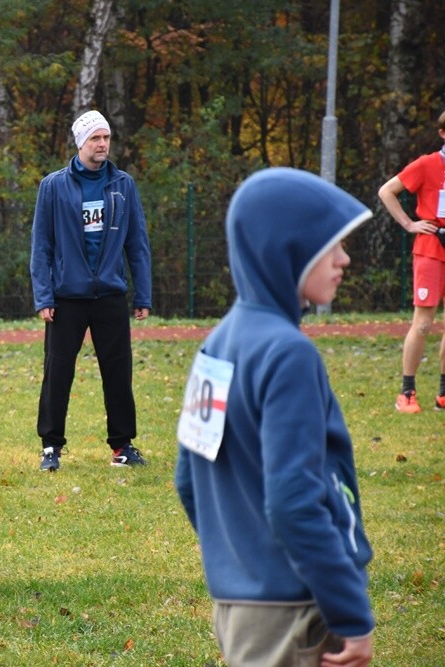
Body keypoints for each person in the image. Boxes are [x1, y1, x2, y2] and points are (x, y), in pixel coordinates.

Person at [175, 168, 375, 667]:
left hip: (238, 607)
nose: (344, 259)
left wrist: (239, 561)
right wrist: (350, 613)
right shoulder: (289, 354)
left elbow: (187, 479)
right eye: (331, 245)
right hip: (295, 610)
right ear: (288, 250)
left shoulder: (215, 345)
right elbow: (293, 500)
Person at [30, 109, 153, 472]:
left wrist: (143, 294)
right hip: (66, 298)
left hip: (110, 296)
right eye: (95, 138)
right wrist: (44, 296)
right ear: (80, 142)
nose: (102, 144)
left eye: (106, 137)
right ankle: (51, 447)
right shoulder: (53, 186)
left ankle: (122, 446)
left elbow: (137, 244)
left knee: (118, 373)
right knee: (57, 374)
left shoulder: (124, 185)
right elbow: (41, 246)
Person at [377, 110, 445, 413]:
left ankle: (443, 394)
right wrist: (409, 224)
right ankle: (407, 392)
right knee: (423, 324)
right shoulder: (427, 164)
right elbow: (386, 191)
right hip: (431, 248)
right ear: (442, 134)